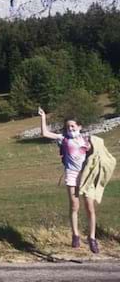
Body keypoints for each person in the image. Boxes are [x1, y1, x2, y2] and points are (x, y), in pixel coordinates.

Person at [39, 107, 99, 253]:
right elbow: (45, 133)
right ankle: (75, 235)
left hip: (85, 176)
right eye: (68, 126)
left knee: (90, 208)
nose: (70, 128)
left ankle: (92, 238)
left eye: (73, 126)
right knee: (74, 206)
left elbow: (95, 156)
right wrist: (43, 117)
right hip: (71, 174)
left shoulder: (87, 140)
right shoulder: (64, 139)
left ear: (79, 127)